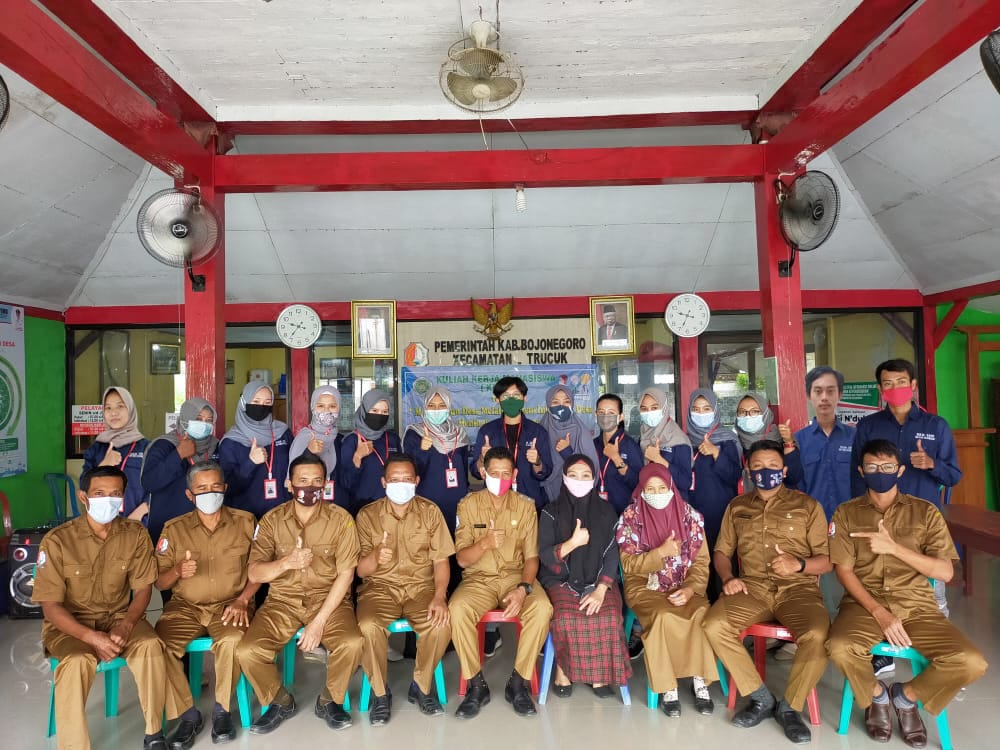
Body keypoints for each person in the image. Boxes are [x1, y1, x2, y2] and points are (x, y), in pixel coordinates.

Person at [827, 439, 987, 747]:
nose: (880, 472)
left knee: (971, 661)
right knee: (839, 647)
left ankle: (904, 697)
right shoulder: (846, 513)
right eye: (872, 467)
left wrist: (894, 549)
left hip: (916, 606)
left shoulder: (925, 512)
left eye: (887, 466)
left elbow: (945, 572)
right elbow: (843, 571)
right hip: (864, 605)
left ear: (900, 470)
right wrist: (879, 612)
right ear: (861, 471)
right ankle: (877, 695)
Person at [702, 440, 831, 744]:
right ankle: (760, 697)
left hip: (798, 590)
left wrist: (798, 564)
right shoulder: (737, 506)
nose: (765, 471)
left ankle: (790, 707)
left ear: (784, 470)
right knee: (713, 624)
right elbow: (721, 552)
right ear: (748, 471)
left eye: (773, 466)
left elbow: (828, 561)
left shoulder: (807, 506)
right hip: (753, 588)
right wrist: (728, 577)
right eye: (757, 466)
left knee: (817, 635)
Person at [33, 467, 168, 750]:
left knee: (151, 645)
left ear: (123, 497)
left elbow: (143, 589)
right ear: (83, 497)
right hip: (70, 626)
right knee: (76, 661)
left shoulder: (135, 534)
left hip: (119, 618)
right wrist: (91, 637)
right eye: (99, 493)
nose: (108, 500)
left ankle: (154, 734)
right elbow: (50, 606)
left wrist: (127, 625)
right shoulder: (58, 540)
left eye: (115, 494)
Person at [236, 453, 363, 735]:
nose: (310, 487)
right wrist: (286, 563)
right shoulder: (271, 521)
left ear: (326, 484)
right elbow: (254, 573)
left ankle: (329, 700)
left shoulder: (341, 520)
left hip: (328, 600)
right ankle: (279, 700)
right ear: (289, 484)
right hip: (282, 601)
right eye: (302, 481)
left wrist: (318, 622)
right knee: (247, 650)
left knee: (352, 643)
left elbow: (346, 575)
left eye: (317, 481)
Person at [154, 461, 259, 747]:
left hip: (231, 604)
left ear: (225, 488)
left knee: (232, 640)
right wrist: (177, 571)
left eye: (215, 487)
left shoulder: (246, 522)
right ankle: (188, 714)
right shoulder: (173, 529)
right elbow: (160, 583)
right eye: (201, 489)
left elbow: (259, 571)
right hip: (185, 607)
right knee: (157, 646)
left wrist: (243, 600)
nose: (209, 493)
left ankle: (222, 710)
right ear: (190, 495)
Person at [851, 358, 961, 623]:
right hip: (880, 519)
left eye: (901, 382)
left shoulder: (936, 425)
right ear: (881, 389)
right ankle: (883, 636)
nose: (895, 388)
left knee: (931, 590)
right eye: (888, 383)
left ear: (913, 385)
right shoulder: (869, 426)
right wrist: (859, 514)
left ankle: (934, 632)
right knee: (879, 583)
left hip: (923, 520)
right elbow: (857, 474)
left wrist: (932, 464)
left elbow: (954, 476)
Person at [449, 446, 553, 719]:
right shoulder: (467, 505)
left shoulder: (526, 506)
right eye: (494, 473)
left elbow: (532, 558)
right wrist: (484, 544)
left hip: (515, 578)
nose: (500, 478)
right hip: (478, 580)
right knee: (457, 609)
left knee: (542, 608)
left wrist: (524, 589)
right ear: (483, 473)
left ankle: (518, 683)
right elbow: (462, 560)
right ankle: (476, 685)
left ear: (515, 474)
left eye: (506, 473)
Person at [355, 453, 455, 724]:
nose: (401, 484)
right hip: (380, 588)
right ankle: (380, 693)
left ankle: (421, 686)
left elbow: (441, 561)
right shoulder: (368, 516)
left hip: (421, 588)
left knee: (441, 624)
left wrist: (439, 596)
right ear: (384, 482)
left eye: (407, 479)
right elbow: (360, 571)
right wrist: (376, 556)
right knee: (367, 626)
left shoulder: (430, 512)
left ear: (417, 481)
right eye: (395, 479)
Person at [617, 463, 716, 716]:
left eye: (662, 488)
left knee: (701, 613)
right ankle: (668, 685)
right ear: (641, 490)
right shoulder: (631, 518)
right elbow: (628, 566)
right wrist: (659, 553)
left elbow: (702, 562)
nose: (657, 493)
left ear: (671, 487)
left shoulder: (690, 516)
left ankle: (700, 679)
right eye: (650, 489)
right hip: (645, 586)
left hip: (685, 584)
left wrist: (691, 589)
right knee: (663, 615)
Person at [538, 455, 631, 699]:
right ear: (564, 478)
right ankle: (563, 671)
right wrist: (572, 543)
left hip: (599, 580)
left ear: (594, 480)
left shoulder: (606, 511)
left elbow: (612, 553)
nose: (579, 481)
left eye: (585, 475)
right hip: (561, 580)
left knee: (609, 616)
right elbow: (545, 556)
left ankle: (600, 675)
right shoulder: (550, 512)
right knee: (566, 617)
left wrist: (601, 589)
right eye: (574, 475)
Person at [784, 367, 855, 622]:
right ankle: (819, 627)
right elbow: (793, 482)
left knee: (853, 581)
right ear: (809, 396)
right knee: (816, 586)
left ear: (839, 395)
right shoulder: (799, 440)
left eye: (830, 391)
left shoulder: (855, 437)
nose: (824, 397)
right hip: (813, 525)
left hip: (850, 524)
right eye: (818, 391)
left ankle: (851, 627)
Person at [141, 397, 220, 547]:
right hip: (168, 531)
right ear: (185, 418)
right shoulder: (164, 445)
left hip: (206, 530)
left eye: (209, 420)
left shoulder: (215, 447)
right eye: (198, 419)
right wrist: (178, 455)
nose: (204, 424)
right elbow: (149, 482)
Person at [470, 376, 552, 510]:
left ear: (524, 398)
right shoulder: (487, 431)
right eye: (506, 396)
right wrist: (482, 458)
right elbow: (475, 472)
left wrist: (537, 462)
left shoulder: (538, 432)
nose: (511, 400)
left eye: (516, 395)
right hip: (495, 502)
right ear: (498, 400)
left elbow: (545, 472)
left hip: (529, 501)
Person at [402, 385, 471, 533]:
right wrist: (422, 450)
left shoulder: (459, 433)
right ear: (425, 407)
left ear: (449, 407)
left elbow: (464, 471)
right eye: (431, 406)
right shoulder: (415, 433)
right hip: (428, 503)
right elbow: (410, 472)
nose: (436, 410)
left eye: (442, 405)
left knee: (456, 542)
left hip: (457, 503)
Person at [219, 383, 293, 519]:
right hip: (246, 518)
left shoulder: (282, 433)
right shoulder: (230, 442)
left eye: (267, 402)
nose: (261, 406)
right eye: (256, 401)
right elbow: (227, 488)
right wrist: (250, 463)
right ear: (244, 403)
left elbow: (295, 467)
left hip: (282, 515)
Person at [81, 387, 149, 521]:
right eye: (108, 408)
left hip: (139, 523)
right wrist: (103, 465)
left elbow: (159, 486)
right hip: (103, 523)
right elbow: (84, 486)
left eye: (120, 406)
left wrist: (140, 513)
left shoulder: (146, 447)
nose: (113, 413)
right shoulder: (97, 448)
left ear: (130, 409)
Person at [685, 389, 742, 548]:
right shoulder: (684, 440)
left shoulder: (727, 439)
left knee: (721, 556)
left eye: (706, 409)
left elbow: (734, 476)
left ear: (715, 411)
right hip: (691, 514)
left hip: (721, 514)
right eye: (695, 409)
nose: (701, 414)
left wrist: (716, 453)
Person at [339, 389, 402, 514]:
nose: (379, 415)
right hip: (363, 509)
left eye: (385, 412)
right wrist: (358, 457)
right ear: (364, 411)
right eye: (374, 411)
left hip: (392, 507)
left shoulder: (392, 438)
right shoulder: (352, 440)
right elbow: (346, 484)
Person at [537, 384, 599, 503]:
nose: (561, 406)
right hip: (546, 492)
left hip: (577, 494)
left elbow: (592, 468)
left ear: (572, 404)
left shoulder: (581, 431)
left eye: (566, 401)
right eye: (555, 402)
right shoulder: (540, 430)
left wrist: (567, 452)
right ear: (548, 404)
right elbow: (537, 468)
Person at [289, 386, 344, 509]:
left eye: (332, 406)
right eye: (320, 406)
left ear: (339, 409)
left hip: (336, 507)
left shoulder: (340, 439)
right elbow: (294, 476)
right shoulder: (304, 437)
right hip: (308, 505)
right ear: (313, 408)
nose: (326, 411)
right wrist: (309, 451)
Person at [734, 393, 803, 486]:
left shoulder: (781, 437)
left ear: (766, 413)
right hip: (747, 495)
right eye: (742, 412)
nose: (747, 416)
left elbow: (793, 478)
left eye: (754, 411)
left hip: (780, 494)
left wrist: (788, 442)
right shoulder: (734, 443)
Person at [638, 387, 693, 500]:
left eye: (654, 408)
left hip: (674, 504)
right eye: (644, 409)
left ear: (664, 408)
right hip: (649, 502)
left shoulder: (677, 439)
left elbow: (685, 482)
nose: (649, 412)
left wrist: (659, 460)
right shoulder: (643, 437)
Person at [592, 393, 643, 515]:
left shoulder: (630, 446)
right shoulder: (593, 444)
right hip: (597, 513)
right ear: (595, 415)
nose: (605, 417)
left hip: (624, 514)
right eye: (601, 412)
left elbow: (639, 483)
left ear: (620, 417)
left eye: (611, 413)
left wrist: (616, 458)